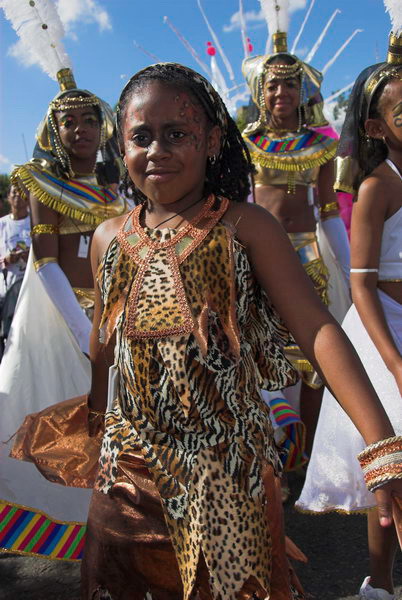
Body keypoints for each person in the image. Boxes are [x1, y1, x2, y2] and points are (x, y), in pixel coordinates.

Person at [80, 62, 402, 600]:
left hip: (227, 469)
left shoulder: (244, 227)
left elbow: (315, 327)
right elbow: (103, 344)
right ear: (123, 147)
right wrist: (93, 423)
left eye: (176, 134)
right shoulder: (108, 237)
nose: (157, 149)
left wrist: (380, 443)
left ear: (211, 141)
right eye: (141, 136)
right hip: (127, 473)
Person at [0, 68, 126, 561]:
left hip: (115, 311)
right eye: (69, 122)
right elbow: (46, 260)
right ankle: (70, 525)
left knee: (116, 421)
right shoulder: (39, 182)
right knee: (62, 409)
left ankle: (118, 524)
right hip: (62, 314)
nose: (81, 130)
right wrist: (81, 328)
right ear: (53, 131)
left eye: (89, 120)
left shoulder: (117, 186)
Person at [296, 44, 402, 600]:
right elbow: (361, 285)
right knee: (394, 461)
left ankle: (381, 579)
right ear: (375, 127)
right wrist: (393, 364)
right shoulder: (377, 187)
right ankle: (380, 581)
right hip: (388, 328)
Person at [242, 33, 350, 458]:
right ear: (260, 92)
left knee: (313, 355)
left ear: (302, 90)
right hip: (258, 260)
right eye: (272, 85)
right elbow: (238, 207)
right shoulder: (247, 144)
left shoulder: (322, 145)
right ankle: (267, 451)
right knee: (257, 352)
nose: (281, 92)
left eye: (289, 84)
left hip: (308, 258)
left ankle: (306, 451)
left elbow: (328, 212)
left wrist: (348, 267)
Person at [0, 184, 30, 355]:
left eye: (22, 192)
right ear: (8, 198)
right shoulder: (2, 224)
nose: (18, 196)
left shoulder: (35, 223)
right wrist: (7, 259)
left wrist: (31, 256)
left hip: (29, 288)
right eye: (14, 192)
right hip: (6, 290)